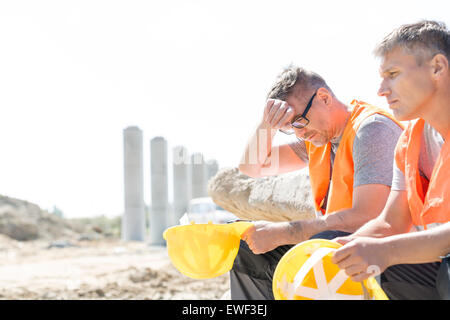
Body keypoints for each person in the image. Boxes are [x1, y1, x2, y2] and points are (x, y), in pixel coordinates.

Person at [232, 65, 404, 299]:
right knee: (248, 245)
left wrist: (286, 232)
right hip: (339, 245)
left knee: (318, 241)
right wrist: (267, 125)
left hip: (388, 258)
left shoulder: (372, 129)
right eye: (289, 128)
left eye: (300, 121)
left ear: (323, 98)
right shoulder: (315, 140)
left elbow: (369, 217)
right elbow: (251, 167)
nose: (299, 134)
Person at [331, 20, 450, 300]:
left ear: (437, 68)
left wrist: (386, 251)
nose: (381, 90)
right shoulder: (409, 141)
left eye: (392, 74)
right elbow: (390, 224)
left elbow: (391, 244)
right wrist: (346, 247)